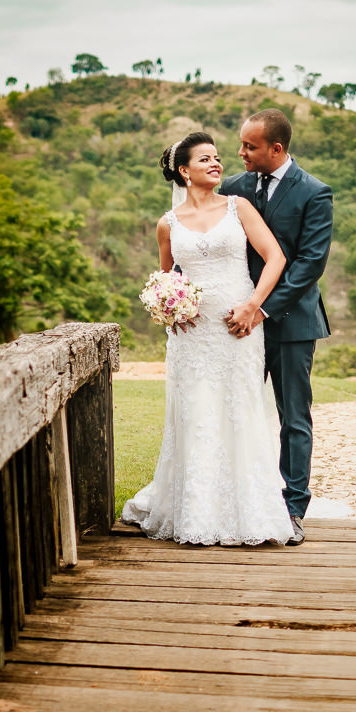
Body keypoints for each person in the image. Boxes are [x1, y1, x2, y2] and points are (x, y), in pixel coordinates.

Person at [121, 131, 296, 546]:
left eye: (217, 158)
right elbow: (167, 277)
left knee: (240, 412)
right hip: (191, 338)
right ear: (184, 171)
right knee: (196, 417)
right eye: (205, 159)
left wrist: (252, 306)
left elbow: (276, 258)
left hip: (238, 329)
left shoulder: (240, 208)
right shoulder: (168, 224)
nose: (216, 164)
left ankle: (248, 512)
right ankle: (197, 513)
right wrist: (168, 308)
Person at [222, 109, 334, 545]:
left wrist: (261, 309)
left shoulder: (314, 193)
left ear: (277, 148)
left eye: (250, 146)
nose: (241, 153)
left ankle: (292, 508)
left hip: (290, 322)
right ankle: (239, 499)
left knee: (293, 418)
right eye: (241, 144)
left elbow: (310, 264)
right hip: (238, 325)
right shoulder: (234, 188)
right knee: (237, 410)